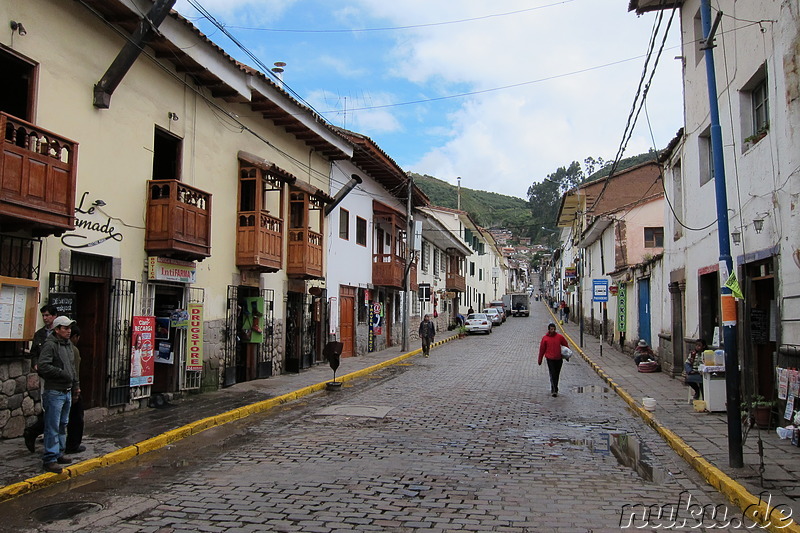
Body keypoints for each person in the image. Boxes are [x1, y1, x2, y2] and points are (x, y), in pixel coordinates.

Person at [37, 316, 79, 473]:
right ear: (56, 329)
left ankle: (59, 452)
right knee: (52, 426)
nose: (68, 331)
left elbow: (72, 367)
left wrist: (76, 385)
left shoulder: (67, 345)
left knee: (62, 424)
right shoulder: (50, 345)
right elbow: (43, 366)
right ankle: (50, 458)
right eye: (65, 328)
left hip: (66, 390)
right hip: (54, 390)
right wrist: (61, 373)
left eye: (69, 328)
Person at [24, 304, 59, 453]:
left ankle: (41, 432)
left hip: (57, 376)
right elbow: (34, 353)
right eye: (43, 315)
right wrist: (35, 364)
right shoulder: (39, 334)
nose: (45, 318)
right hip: (45, 376)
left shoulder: (58, 334)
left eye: (47, 315)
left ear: (54, 316)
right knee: (48, 404)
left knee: (55, 406)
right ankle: (44, 433)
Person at [65, 324, 85, 454]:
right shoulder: (72, 349)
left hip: (64, 386)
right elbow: (75, 371)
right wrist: (76, 389)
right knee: (76, 417)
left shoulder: (62, 348)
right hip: (70, 387)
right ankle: (72, 445)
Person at [538, 322, 568, 397]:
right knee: (552, 373)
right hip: (550, 358)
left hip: (558, 358)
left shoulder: (560, 337)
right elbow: (542, 349)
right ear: (549, 330)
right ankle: (554, 389)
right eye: (551, 329)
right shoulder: (545, 339)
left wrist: (567, 356)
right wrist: (540, 359)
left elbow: (566, 345)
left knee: (557, 374)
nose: (553, 330)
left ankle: (555, 387)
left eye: (554, 329)